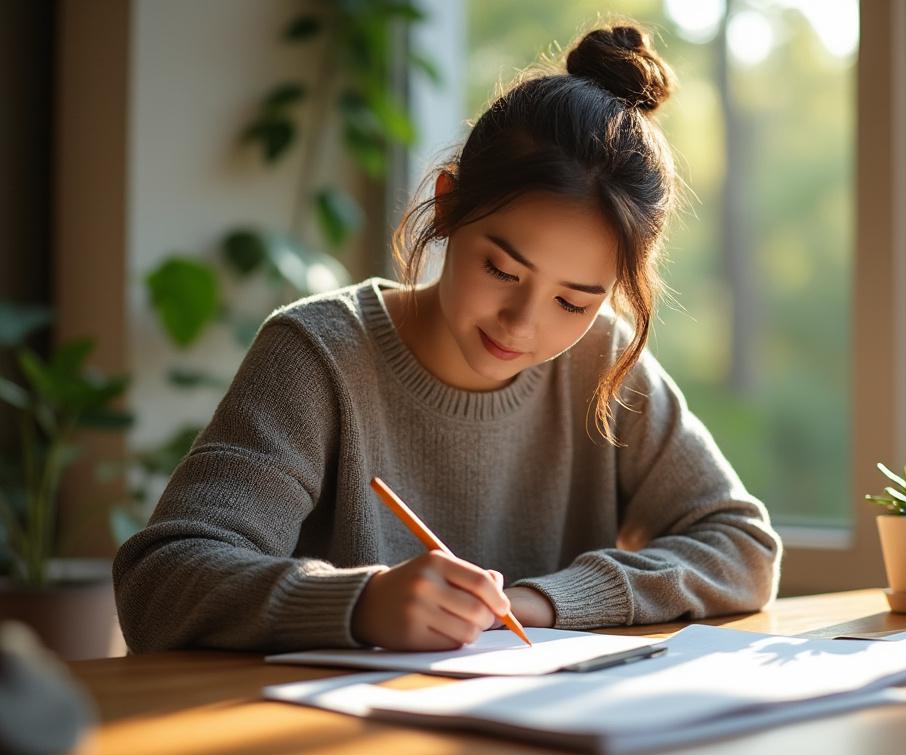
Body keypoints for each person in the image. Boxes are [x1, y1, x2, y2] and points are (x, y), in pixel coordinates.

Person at [113, 23, 781, 653]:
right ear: (449, 204)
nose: (523, 324)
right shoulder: (319, 355)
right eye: (502, 269)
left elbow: (743, 546)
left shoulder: (599, 357)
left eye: (575, 300)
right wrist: (360, 602)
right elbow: (159, 581)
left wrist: (544, 602)